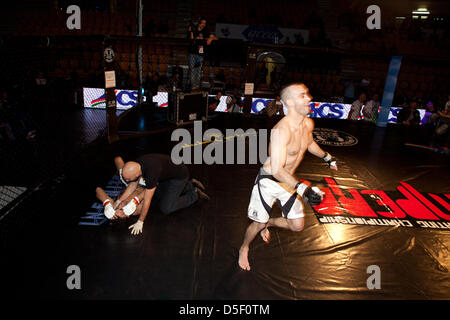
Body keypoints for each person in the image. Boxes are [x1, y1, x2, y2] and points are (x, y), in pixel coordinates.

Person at [238, 83, 338, 271]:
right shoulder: (280, 130)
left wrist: (327, 157)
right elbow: (276, 169)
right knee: (257, 224)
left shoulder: (308, 123)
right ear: (290, 102)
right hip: (269, 181)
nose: (308, 98)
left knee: (297, 225)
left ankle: (269, 222)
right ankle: (244, 247)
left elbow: (309, 144)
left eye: (307, 93)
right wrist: (303, 189)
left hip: (288, 181)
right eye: (302, 95)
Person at [96, 154, 209, 235]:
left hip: (179, 176)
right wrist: (119, 202)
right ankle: (189, 185)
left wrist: (140, 221)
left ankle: (194, 194)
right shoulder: (135, 167)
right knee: (160, 194)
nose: (126, 180)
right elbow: (132, 185)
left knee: (166, 208)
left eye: (128, 179)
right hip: (166, 176)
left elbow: (147, 198)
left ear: (136, 175)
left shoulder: (151, 173)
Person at [188, 18, 218, 91]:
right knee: (192, 70)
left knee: (198, 71)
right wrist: (192, 33)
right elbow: (191, 40)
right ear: (199, 23)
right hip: (192, 53)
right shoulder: (194, 30)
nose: (204, 24)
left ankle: (197, 87)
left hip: (201, 54)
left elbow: (216, 38)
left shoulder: (206, 32)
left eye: (205, 23)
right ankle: (193, 87)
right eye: (202, 23)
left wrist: (211, 38)